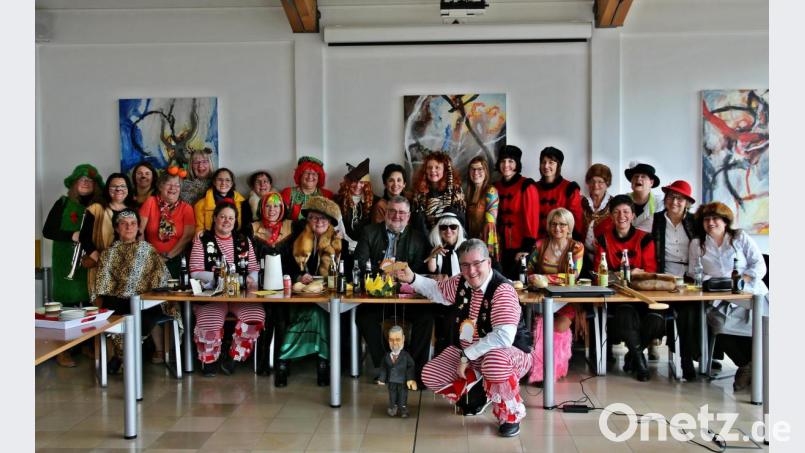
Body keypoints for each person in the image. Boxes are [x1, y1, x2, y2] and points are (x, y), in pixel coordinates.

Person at [393, 239, 533, 438]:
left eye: (477, 264)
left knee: (494, 361)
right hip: (471, 356)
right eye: (465, 265)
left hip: (509, 355)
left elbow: (504, 337)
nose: (472, 271)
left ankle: (510, 415)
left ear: (489, 263)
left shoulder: (502, 290)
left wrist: (466, 355)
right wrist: (412, 278)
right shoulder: (461, 282)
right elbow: (437, 290)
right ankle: (482, 392)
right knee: (429, 374)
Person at [688, 202, 768, 392]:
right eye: (706, 219)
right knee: (720, 326)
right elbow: (693, 272)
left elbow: (760, 266)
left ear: (725, 221)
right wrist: (716, 282)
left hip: (750, 294)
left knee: (758, 326)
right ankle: (748, 365)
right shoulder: (697, 244)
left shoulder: (739, 237)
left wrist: (742, 279)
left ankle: (752, 368)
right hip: (718, 299)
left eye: (715, 218)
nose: (711, 222)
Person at [354, 196, 432, 380]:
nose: (397, 216)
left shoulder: (418, 238)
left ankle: (413, 369)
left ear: (409, 216)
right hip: (377, 295)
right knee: (364, 316)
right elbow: (359, 262)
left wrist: (405, 277)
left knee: (426, 317)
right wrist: (380, 270)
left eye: (402, 212)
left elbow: (421, 271)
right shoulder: (369, 232)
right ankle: (388, 366)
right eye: (392, 211)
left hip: (407, 298)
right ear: (386, 213)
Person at [277, 196, 346, 387]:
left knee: (318, 312)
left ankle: (284, 360)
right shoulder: (295, 239)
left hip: (327, 298)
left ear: (330, 222)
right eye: (314, 218)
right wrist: (299, 277)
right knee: (314, 313)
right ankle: (322, 363)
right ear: (308, 220)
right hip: (297, 297)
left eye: (323, 219)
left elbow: (344, 272)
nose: (318, 222)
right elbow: (284, 268)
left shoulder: (339, 244)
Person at [189, 201, 263, 377]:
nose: (226, 221)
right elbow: (195, 271)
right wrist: (221, 278)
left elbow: (254, 267)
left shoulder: (243, 240)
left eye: (231, 218)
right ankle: (209, 360)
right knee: (210, 320)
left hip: (241, 294)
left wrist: (251, 278)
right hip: (213, 294)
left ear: (235, 221)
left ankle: (234, 356)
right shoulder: (203, 240)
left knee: (255, 317)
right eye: (222, 216)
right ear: (215, 218)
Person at [93, 209, 171, 372]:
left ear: (138, 227)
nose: (129, 227)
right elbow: (102, 286)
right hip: (118, 300)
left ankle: (122, 356)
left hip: (145, 300)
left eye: (133, 223)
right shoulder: (108, 253)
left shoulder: (148, 250)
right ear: (116, 228)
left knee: (146, 312)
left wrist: (144, 295)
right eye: (124, 224)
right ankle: (125, 356)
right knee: (115, 313)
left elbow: (161, 280)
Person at [42, 163, 104, 367]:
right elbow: (48, 231)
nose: (86, 183)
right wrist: (72, 235)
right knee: (65, 308)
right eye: (82, 179)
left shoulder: (98, 207)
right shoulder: (62, 203)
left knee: (88, 307)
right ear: (74, 183)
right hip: (65, 263)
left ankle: (86, 345)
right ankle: (63, 351)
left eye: (90, 180)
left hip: (88, 264)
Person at [595, 195, 659, 382]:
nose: (621, 216)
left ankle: (633, 352)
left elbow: (650, 271)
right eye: (616, 212)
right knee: (625, 314)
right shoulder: (603, 240)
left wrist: (623, 273)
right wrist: (630, 272)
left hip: (641, 295)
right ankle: (640, 363)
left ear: (632, 216)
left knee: (657, 320)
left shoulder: (645, 238)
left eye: (625, 212)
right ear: (611, 217)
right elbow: (601, 272)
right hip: (617, 298)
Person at [526, 208, 584, 384]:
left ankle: (555, 370)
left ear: (569, 227)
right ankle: (540, 372)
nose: (557, 228)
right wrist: (534, 279)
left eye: (562, 224)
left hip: (568, 299)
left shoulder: (577, 247)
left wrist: (544, 278)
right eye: (554, 224)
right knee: (542, 327)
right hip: (543, 299)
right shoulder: (539, 246)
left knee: (558, 327)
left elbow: (573, 277)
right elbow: (529, 272)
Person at [651, 180, 698, 379]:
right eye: (670, 196)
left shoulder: (695, 222)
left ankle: (686, 358)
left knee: (690, 312)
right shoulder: (656, 220)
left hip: (689, 278)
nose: (674, 201)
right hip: (663, 276)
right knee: (659, 310)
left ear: (687, 202)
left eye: (679, 198)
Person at [249, 191, 294, 375]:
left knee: (282, 316)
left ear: (282, 208)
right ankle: (262, 360)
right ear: (261, 208)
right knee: (265, 315)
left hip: (287, 285)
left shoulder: (292, 227)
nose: (272, 209)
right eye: (268, 205)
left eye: (276, 206)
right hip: (260, 286)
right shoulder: (252, 229)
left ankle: (281, 361)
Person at [79, 173, 137, 302]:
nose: (118, 189)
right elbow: (84, 238)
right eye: (114, 186)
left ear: (128, 189)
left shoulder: (133, 210)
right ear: (107, 189)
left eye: (122, 186)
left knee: (129, 309)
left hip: (128, 271)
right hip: (102, 270)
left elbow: (139, 237)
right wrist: (101, 260)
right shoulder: (96, 209)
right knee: (106, 309)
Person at [493, 145, 540, 279]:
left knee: (518, 285)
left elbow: (532, 220)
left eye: (510, 161)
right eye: (502, 161)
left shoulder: (527, 185)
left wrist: (526, 248)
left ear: (517, 164)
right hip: (499, 246)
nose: (506, 165)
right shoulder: (495, 187)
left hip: (520, 247)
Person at [139, 173, 195, 278]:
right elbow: (139, 230)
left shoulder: (186, 208)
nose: (173, 188)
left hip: (176, 259)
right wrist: (148, 255)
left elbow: (187, 237)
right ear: (160, 186)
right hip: (150, 259)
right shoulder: (150, 202)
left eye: (177, 185)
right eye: (169, 184)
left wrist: (168, 257)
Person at [411, 151, 466, 238]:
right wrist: (430, 241)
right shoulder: (419, 192)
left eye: (437, 167)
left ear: (444, 170)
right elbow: (418, 221)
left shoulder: (456, 190)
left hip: (450, 238)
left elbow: (460, 219)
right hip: (425, 239)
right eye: (429, 167)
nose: (433, 170)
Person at [535, 147, 583, 239]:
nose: (546, 166)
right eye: (543, 162)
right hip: (538, 242)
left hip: (561, 242)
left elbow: (576, 220)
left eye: (551, 162)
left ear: (558, 165)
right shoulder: (533, 188)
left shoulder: (570, 188)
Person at [194, 168, 250, 234]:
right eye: (220, 180)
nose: (223, 183)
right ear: (214, 182)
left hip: (236, 240)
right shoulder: (200, 204)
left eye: (227, 180)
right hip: (210, 240)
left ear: (232, 183)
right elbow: (199, 229)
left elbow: (245, 227)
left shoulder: (242, 202)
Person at [377, 325, 417, 418]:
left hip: (402, 381)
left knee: (403, 395)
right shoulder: (386, 356)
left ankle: (403, 408)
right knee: (392, 395)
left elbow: (411, 366)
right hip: (392, 382)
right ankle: (392, 407)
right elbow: (383, 368)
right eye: (391, 340)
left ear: (403, 339)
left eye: (398, 339)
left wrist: (410, 379)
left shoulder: (406, 356)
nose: (394, 343)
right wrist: (382, 378)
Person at [465, 156, 500, 261]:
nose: (476, 172)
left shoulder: (491, 191)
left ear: (486, 172)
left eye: (480, 169)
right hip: (471, 242)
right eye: (473, 169)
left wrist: (482, 248)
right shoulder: (469, 193)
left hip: (486, 243)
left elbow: (490, 223)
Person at [335, 158, 377, 243]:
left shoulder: (375, 201)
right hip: (343, 245)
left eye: (362, 182)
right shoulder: (337, 200)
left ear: (366, 184)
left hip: (366, 246)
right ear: (348, 182)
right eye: (354, 181)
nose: (358, 186)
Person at [281, 156, 334, 221]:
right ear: (300, 175)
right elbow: (280, 217)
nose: (310, 176)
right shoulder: (288, 192)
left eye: (314, 173)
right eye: (307, 173)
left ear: (319, 177)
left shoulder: (327, 195)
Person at [580, 163, 613, 264]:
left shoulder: (614, 204)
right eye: (592, 181)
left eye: (600, 182)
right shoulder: (580, 202)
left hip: (606, 257)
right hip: (582, 257)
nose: (595, 185)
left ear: (607, 184)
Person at [625, 161, 663, 232]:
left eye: (643, 176)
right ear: (631, 181)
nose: (638, 179)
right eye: (636, 176)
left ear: (651, 183)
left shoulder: (659, 202)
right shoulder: (623, 200)